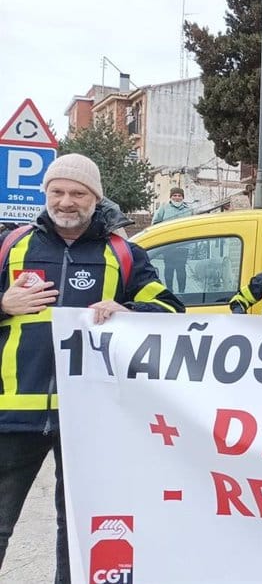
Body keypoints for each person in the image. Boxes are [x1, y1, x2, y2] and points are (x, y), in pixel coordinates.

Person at [0, 153, 184, 583]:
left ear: (94, 198)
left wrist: (128, 308)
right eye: (57, 191)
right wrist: (3, 304)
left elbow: (170, 309)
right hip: (11, 414)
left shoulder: (122, 253)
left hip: (89, 417)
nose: (66, 201)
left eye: (77, 193)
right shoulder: (12, 244)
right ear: (45, 194)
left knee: (80, 531)